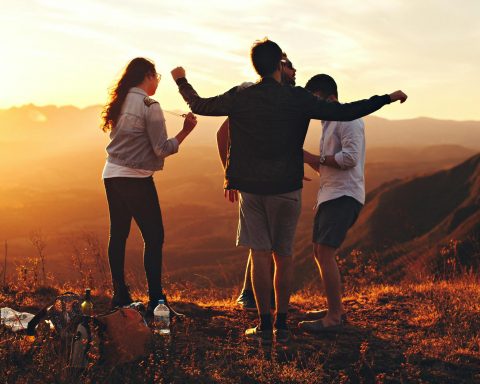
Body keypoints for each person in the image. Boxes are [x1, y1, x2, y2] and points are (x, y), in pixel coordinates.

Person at [171, 38, 407, 344]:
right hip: (287, 187)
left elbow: (200, 105)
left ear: (256, 65)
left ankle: (264, 326)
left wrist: (181, 80)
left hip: (252, 189)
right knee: (284, 256)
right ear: (279, 65)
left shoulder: (242, 96)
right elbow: (347, 111)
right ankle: (282, 325)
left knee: (259, 256)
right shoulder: (296, 98)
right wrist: (386, 98)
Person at [101, 57, 197, 317]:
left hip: (111, 173)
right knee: (154, 237)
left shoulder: (121, 101)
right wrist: (186, 130)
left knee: (118, 234)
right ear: (148, 75)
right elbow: (161, 148)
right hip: (136, 178)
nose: (157, 83)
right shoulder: (150, 105)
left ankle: (120, 295)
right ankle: (157, 301)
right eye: (157, 78)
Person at [217, 53, 297, 312]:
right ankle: (251, 297)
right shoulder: (253, 95)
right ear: (276, 67)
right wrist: (230, 175)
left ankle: (258, 299)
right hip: (255, 181)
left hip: (272, 179)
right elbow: (222, 133)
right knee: (262, 244)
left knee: (265, 244)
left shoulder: (283, 98)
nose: (294, 70)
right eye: (288, 65)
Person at [298, 74, 367, 333]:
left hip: (344, 195)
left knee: (325, 252)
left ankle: (334, 317)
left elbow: (349, 159)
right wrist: (306, 159)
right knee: (319, 251)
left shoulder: (347, 119)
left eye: (313, 99)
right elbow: (328, 165)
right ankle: (333, 307)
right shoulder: (328, 122)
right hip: (331, 194)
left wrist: (314, 156)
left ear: (327, 96)